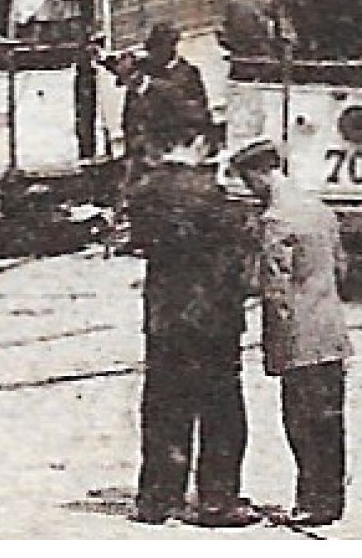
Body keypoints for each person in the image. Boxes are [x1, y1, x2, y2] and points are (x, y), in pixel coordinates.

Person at [127, 136, 257, 527]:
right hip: (213, 320)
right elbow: (241, 255)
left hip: (165, 319)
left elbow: (136, 240)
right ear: (198, 143)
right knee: (220, 410)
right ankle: (216, 499)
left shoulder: (147, 191)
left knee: (163, 405)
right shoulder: (217, 199)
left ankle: (157, 498)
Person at [227, 139, 351, 528]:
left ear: (260, 173)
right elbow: (342, 269)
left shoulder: (275, 221)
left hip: (299, 336)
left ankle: (310, 499)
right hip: (331, 330)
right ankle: (331, 499)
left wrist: (275, 350)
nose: (250, 190)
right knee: (330, 419)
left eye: (249, 181)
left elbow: (275, 291)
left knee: (301, 421)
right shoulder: (320, 211)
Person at [121, 25, 213, 177]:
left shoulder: (187, 74)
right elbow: (130, 116)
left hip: (177, 146)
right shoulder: (145, 71)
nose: (152, 55)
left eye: (157, 49)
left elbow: (195, 114)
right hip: (145, 150)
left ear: (171, 49)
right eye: (151, 50)